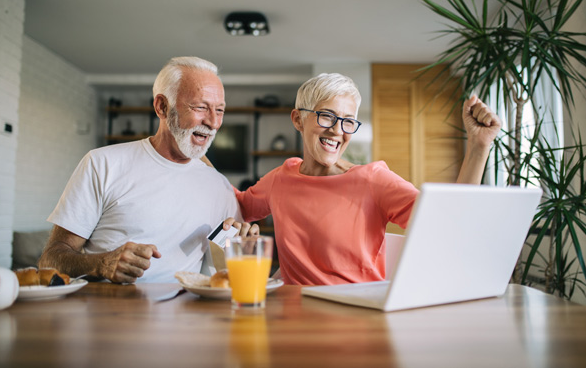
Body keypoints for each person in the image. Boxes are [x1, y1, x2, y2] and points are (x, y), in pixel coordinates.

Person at [232, 73, 501, 285]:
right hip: (296, 318)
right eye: (326, 116)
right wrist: (196, 153)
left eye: (348, 121)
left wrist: (478, 147)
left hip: (359, 317)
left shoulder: (373, 180)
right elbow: (238, 204)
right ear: (298, 120)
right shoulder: (281, 179)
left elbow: (448, 225)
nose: (337, 130)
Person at [39, 56, 258, 284]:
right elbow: (51, 260)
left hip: (186, 315)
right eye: (200, 107)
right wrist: (101, 264)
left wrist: (243, 247)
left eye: (220, 110)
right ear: (162, 107)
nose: (213, 122)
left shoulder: (219, 186)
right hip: (108, 314)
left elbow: (227, 268)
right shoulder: (102, 164)